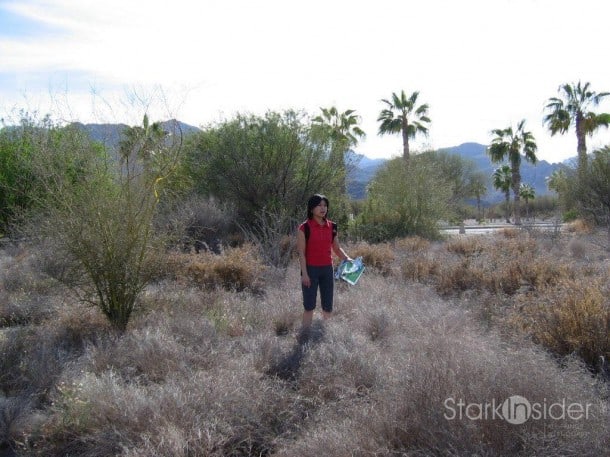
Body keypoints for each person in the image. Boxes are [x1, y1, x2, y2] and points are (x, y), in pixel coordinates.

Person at [297, 194, 352, 328]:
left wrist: (347, 258)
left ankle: (326, 334)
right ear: (311, 208)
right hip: (311, 270)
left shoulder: (332, 226)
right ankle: (305, 334)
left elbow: (337, 248)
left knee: (327, 305)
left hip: (327, 269)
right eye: (319, 205)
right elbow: (301, 253)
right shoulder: (304, 228)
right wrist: (305, 274)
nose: (323, 208)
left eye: (325, 205)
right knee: (309, 306)